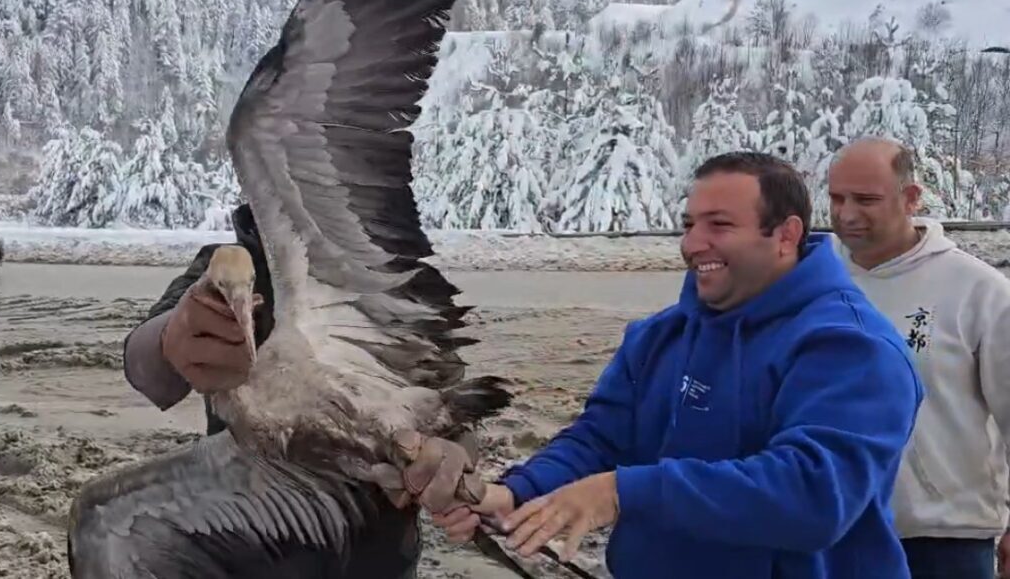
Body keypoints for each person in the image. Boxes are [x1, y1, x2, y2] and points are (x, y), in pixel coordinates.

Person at [428, 151, 924, 578]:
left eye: (720, 225)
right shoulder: (659, 337)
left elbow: (814, 496)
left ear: (786, 234)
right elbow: (600, 438)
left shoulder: (851, 348)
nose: (692, 243)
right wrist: (514, 495)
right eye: (689, 224)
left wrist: (624, 492)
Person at [121, 203, 465, 578]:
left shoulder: (387, 283)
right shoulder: (225, 267)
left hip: (374, 556)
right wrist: (172, 336)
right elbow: (148, 368)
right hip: (257, 545)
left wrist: (451, 462)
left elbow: (447, 406)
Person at [827, 137, 1010, 579]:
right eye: (836, 198)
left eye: (866, 199)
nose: (847, 213)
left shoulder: (978, 291)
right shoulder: (809, 282)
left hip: (942, 538)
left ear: (911, 198)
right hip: (828, 530)